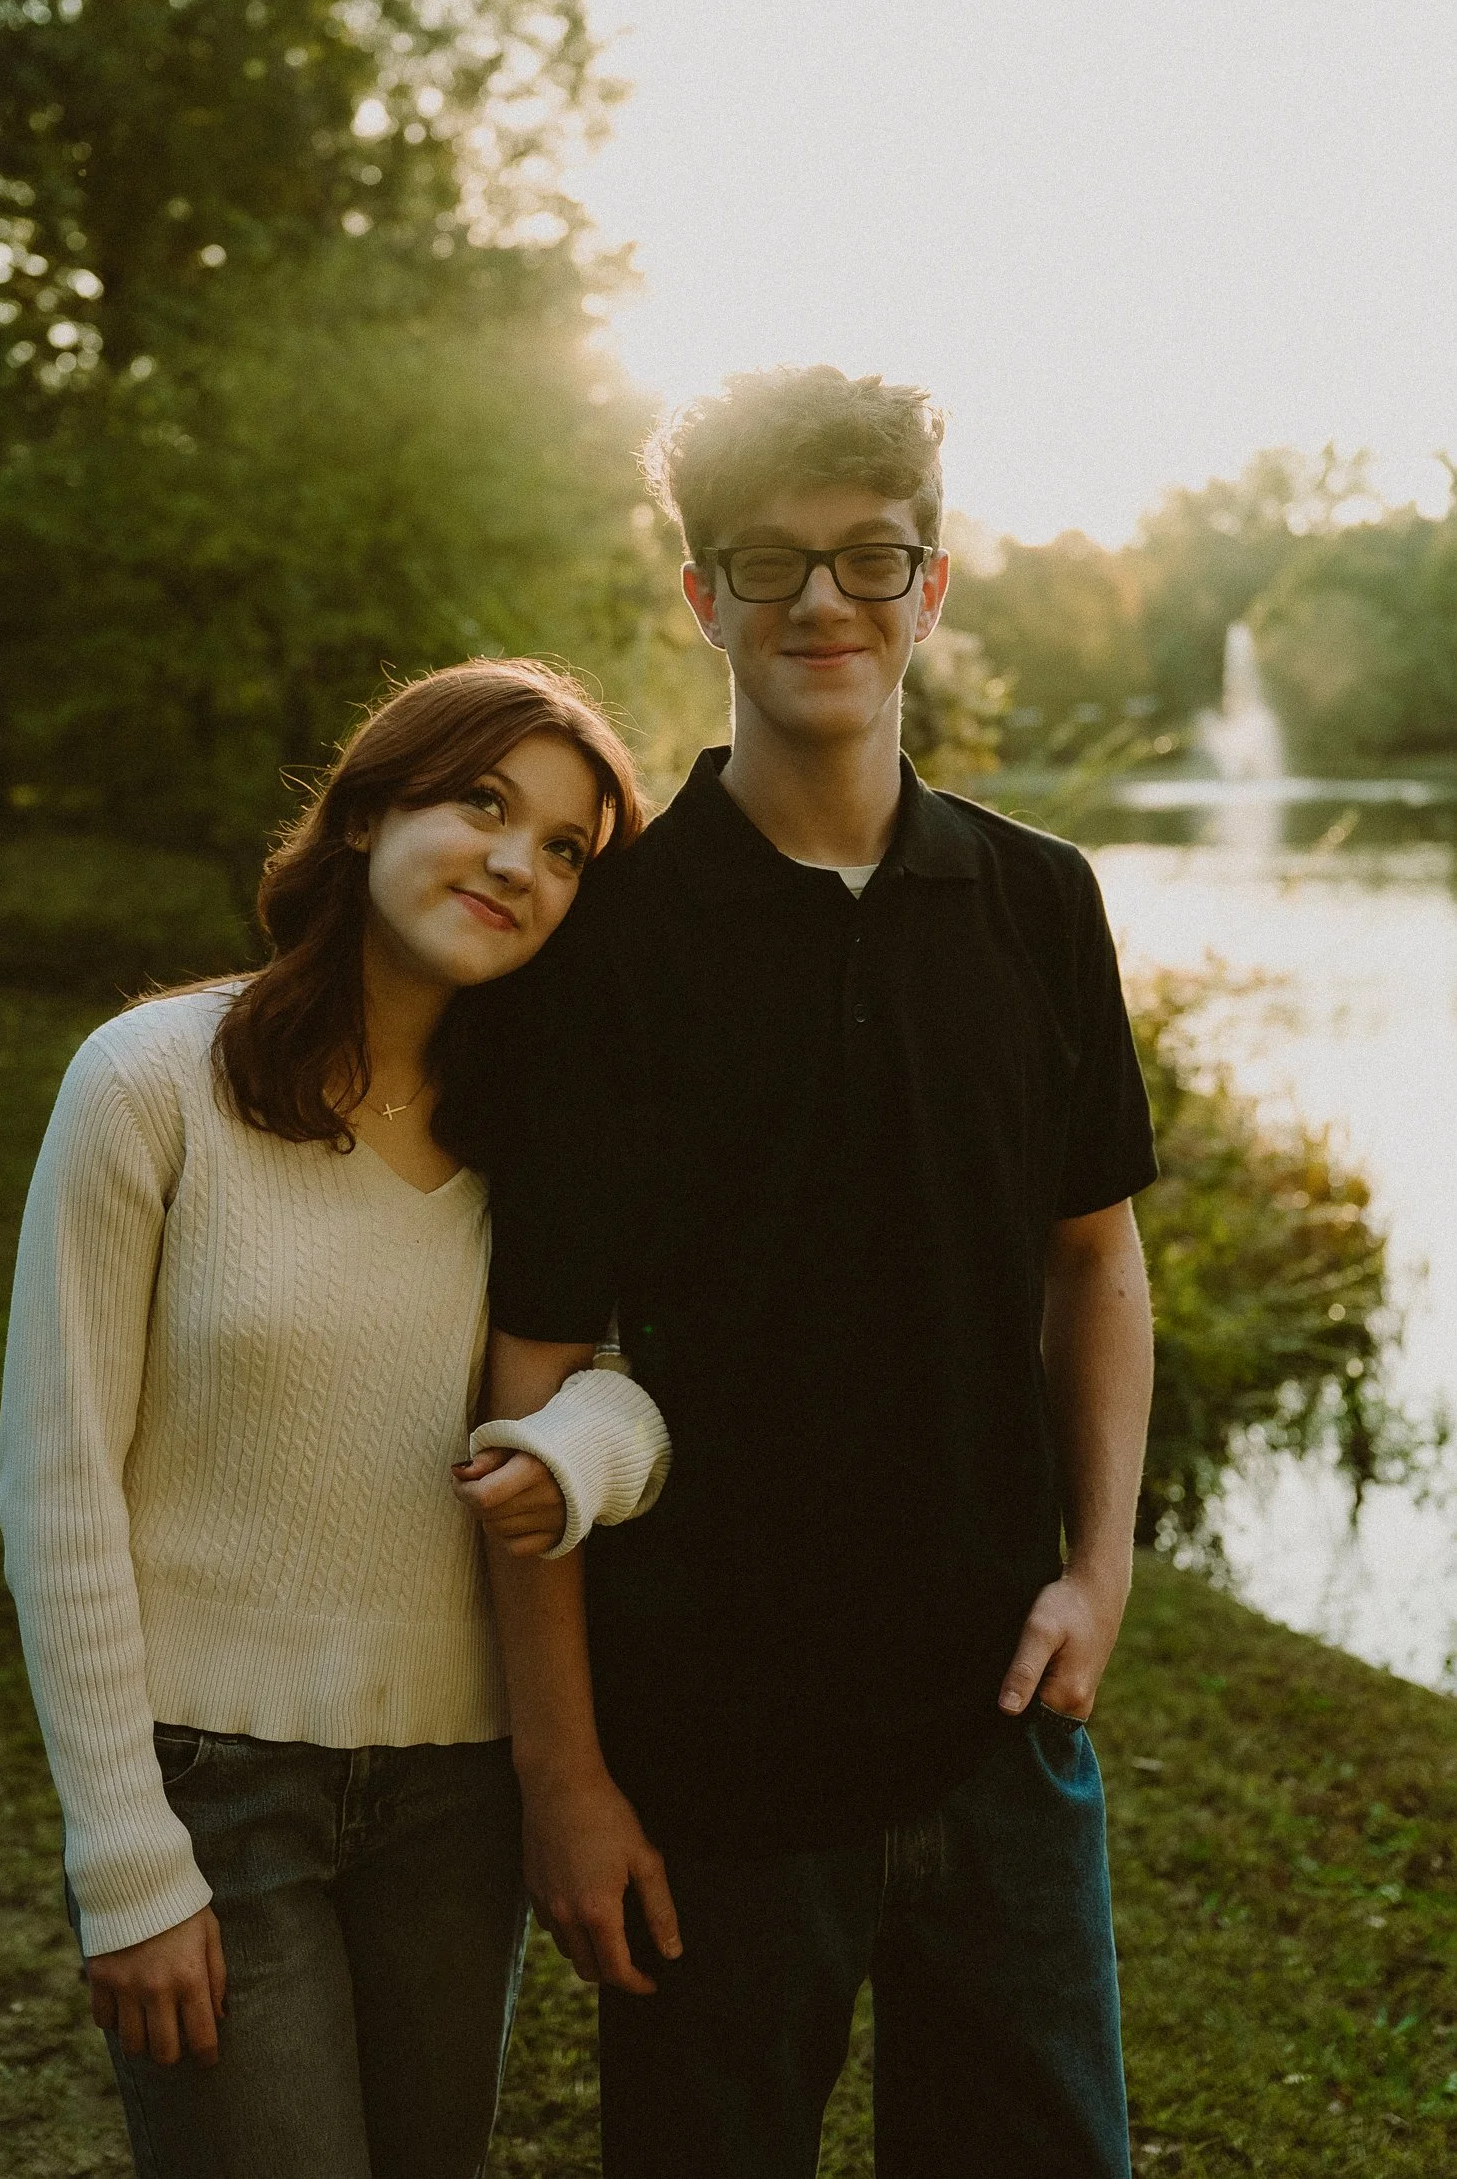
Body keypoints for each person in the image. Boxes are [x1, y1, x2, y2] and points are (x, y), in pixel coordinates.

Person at [461, 368, 1159, 2179]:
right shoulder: (610, 940)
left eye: (869, 559)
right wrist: (569, 1776)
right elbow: (527, 1371)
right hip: (708, 1752)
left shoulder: (1038, 903)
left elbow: (1092, 1261)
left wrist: (1096, 1572)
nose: (821, 606)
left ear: (932, 588)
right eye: (767, 568)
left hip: (1000, 1735)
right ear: (700, 601)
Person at [0, 659, 671, 2179]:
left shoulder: (544, 1134)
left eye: (567, 848)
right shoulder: (152, 1084)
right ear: (367, 812)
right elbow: (57, 1490)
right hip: (212, 1792)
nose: (517, 862)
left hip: (457, 1797)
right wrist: (125, 1863)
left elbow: (639, 1394)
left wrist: (578, 1452)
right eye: (481, 803)